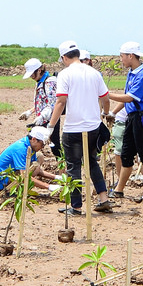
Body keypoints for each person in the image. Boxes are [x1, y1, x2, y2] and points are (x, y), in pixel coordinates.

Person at [48, 41, 112, 215]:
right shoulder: (94, 73)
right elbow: (105, 98)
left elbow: (61, 102)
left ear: (64, 57)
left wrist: (51, 126)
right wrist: (106, 114)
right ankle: (103, 198)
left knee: (73, 166)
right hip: (93, 127)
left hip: (73, 128)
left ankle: (76, 206)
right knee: (91, 162)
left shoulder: (64, 74)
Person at [115, 43, 143, 188]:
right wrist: (113, 112)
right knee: (126, 154)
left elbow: (129, 98)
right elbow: (127, 98)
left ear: (130, 56)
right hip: (131, 117)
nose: (121, 60)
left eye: (122, 56)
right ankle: (119, 189)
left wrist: (106, 95)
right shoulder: (132, 73)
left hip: (140, 118)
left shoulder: (142, 76)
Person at [0, 126, 57, 191]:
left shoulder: (30, 145)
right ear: (34, 139)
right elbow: (24, 176)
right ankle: (15, 189)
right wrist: (48, 186)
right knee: (35, 166)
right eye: (42, 144)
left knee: (39, 156)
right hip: (2, 181)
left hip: (13, 172)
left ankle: (25, 185)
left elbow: (37, 170)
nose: (43, 147)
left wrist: (56, 177)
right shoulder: (21, 149)